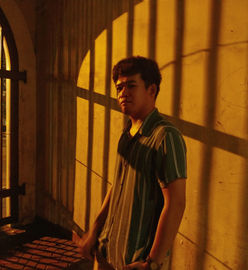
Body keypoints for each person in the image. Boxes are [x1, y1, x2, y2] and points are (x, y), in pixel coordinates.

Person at [77, 56, 187, 270]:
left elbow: (176, 203)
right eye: (119, 87)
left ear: (151, 90)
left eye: (131, 86)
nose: (123, 93)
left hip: (135, 261)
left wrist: (152, 263)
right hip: (107, 251)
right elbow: (117, 186)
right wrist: (95, 230)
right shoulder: (127, 134)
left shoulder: (165, 136)